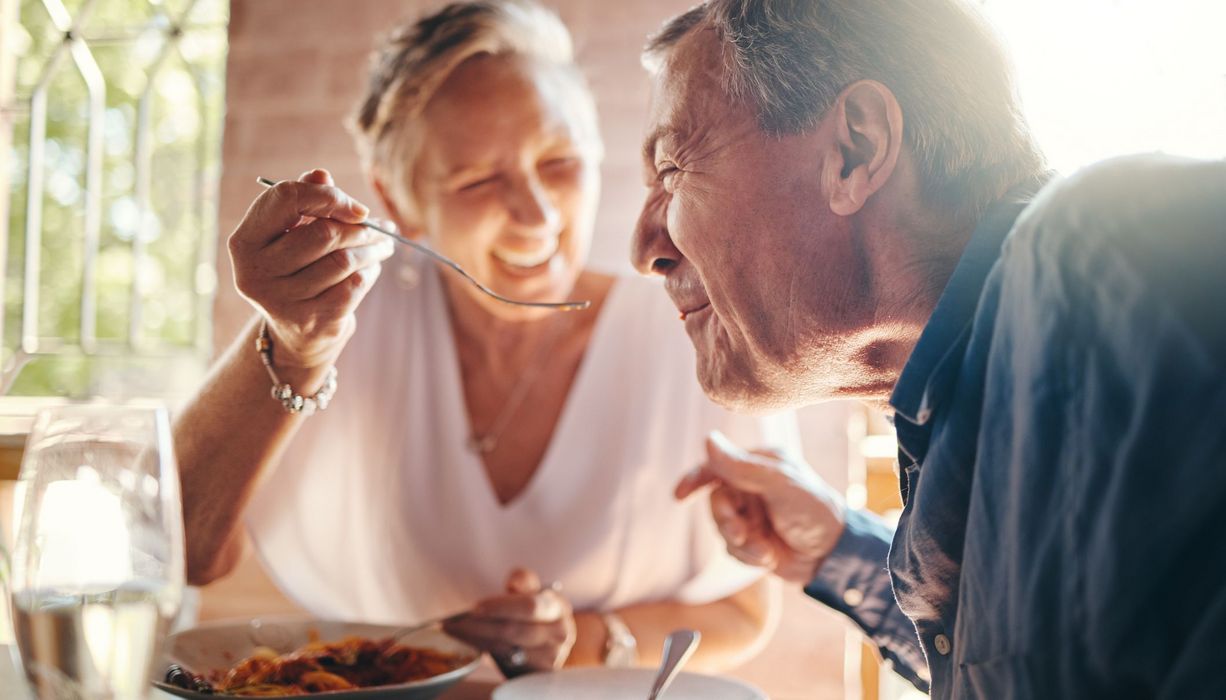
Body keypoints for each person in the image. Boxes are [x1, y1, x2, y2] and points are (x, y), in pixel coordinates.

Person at [175, 0, 798, 675]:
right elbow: (188, 550)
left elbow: (746, 612)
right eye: (478, 179)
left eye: (559, 161)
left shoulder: (696, 326)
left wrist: (579, 643)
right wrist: (292, 347)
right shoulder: (336, 314)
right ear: (398, 201)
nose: (537, 214)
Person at [631, 0, 1226, 697]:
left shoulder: (1101, 264)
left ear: (856, 148)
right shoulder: (960, 403)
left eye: (672, 168)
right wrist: (837, 551)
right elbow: (1036, 655)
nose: (645, 248)